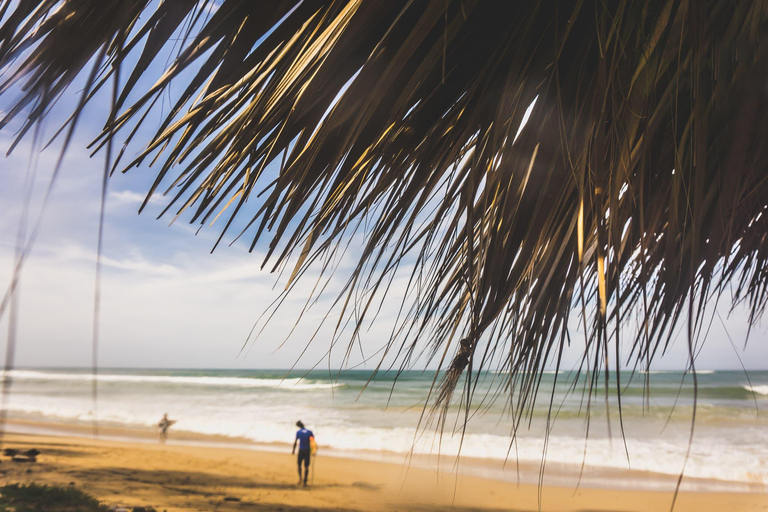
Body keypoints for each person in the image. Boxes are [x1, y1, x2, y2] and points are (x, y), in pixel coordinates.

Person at [291, 420, 314, 486]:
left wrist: (293, 450)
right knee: (306, 466)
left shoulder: (298, 432)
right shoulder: (309, 432)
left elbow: (295, 442)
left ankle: (300, 478)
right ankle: (305, 480)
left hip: (301, 450)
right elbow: (312, 442)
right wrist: (313, 451)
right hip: (307, 450)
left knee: (299, 465)